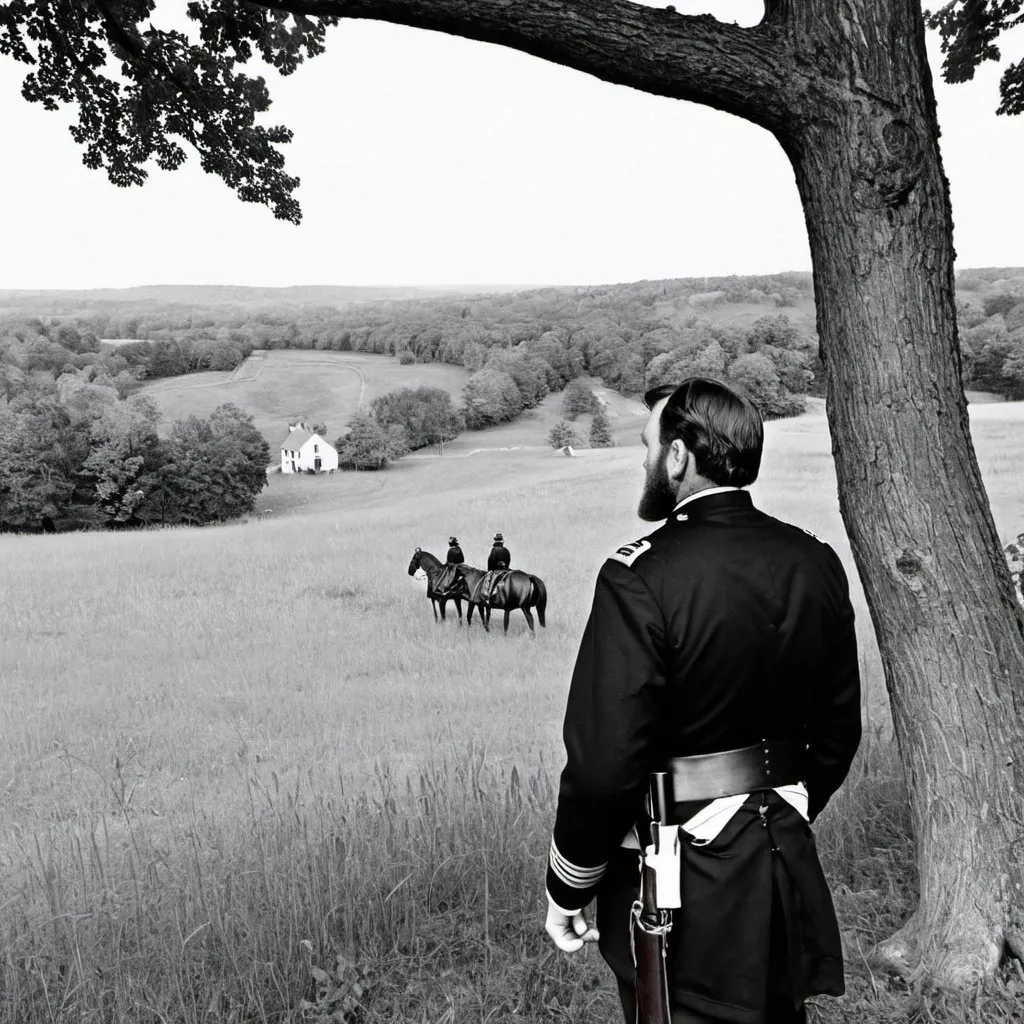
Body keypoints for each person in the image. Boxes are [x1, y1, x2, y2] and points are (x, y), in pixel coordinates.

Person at [543, 377, 862, 1024]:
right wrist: (776, 811)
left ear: (680, 456)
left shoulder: (638, 577)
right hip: (782, 859)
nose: (642, 460)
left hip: (674, 881)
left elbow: (605, 767)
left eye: (648, 445)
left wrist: (567, 886)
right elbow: (836, 735)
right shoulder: (815, 560)